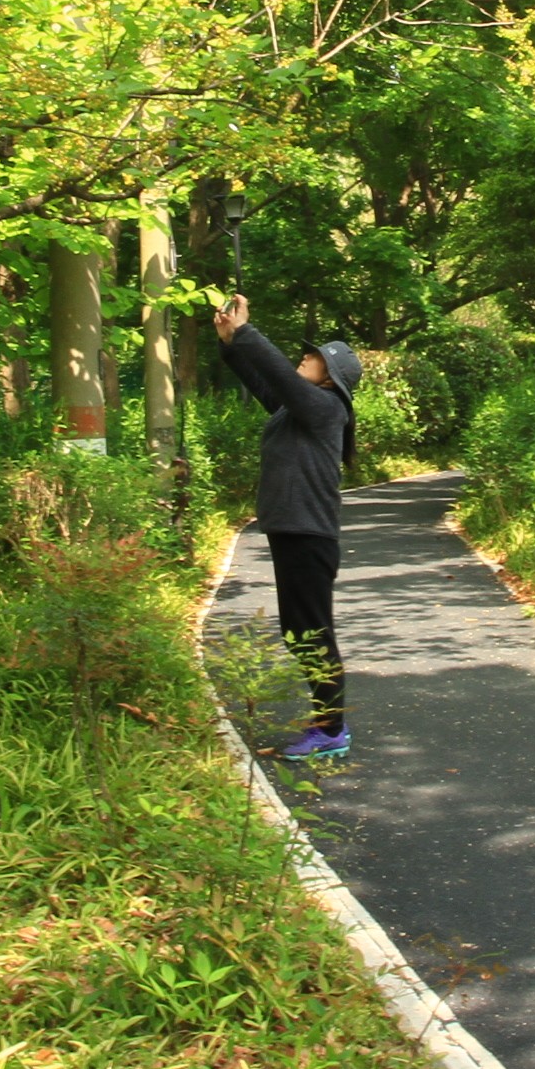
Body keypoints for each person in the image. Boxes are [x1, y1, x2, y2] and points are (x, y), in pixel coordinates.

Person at [214, 292, 362, 760]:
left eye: (313, 359)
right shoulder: (295, 412)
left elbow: (277, 372)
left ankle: (331, 728)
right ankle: (326, 723)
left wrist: (246, 333)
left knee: (312, 633)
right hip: (293, 532)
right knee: (299, 632)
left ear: (331, 377)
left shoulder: (328, 408)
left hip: (308, 534)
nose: (303, 359)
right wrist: (230, 345)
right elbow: (265, 382)